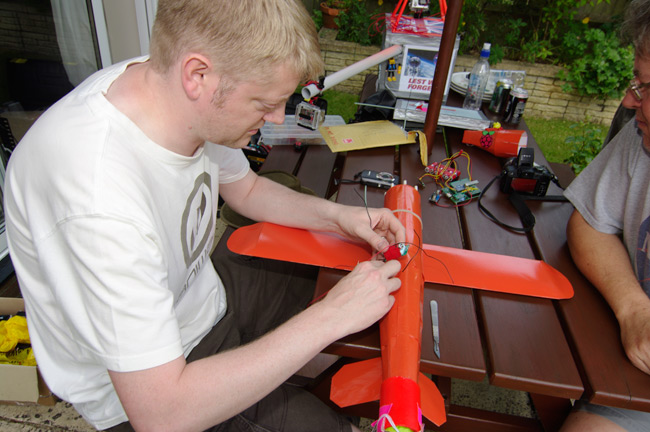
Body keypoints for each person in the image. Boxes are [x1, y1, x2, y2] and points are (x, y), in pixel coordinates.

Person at [4, 1, 406, 431]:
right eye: (263, 103)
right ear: (198, 75)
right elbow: (161, 416)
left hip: (202, 301)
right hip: (150, 395)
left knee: (343, 270)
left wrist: (338, 217)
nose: (275, 118)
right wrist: (330, 318)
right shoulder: (96, 199)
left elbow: (247, 189)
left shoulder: (168, 89)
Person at [561, 0, 650, 430]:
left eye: (648, 88)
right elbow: (589, 223)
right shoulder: (639, 139)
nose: (629, 102)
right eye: (637, 81)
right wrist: (634, 308)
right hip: (631, 391)